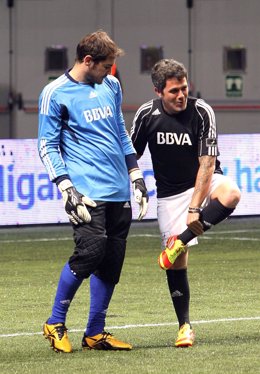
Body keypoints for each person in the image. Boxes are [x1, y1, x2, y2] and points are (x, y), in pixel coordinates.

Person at [38, 30, 148, 353]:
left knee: (112, 259)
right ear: (88, 61)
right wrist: (66, 187)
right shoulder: (55, 93)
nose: (111, 72)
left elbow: (121, 133)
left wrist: (136, 176)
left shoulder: (110, 86)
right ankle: (55, 322)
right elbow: (47, 145)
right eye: (107, 66)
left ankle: (94, 333)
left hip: (118, 190)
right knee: (90, 251)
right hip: (85, 192)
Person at [130, 59, 240, 348]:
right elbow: (130, 156)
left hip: (202, 182)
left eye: (184, 88)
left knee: (232, 193)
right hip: (169, 195)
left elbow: (208, 163)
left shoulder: (201, 111)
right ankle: (184, 327)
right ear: (158, 91)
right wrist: (133, 183)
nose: (181, 95)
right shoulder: (146, 115)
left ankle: (181, 240)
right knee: (177, 265)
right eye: (173, 91)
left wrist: (195, 208)